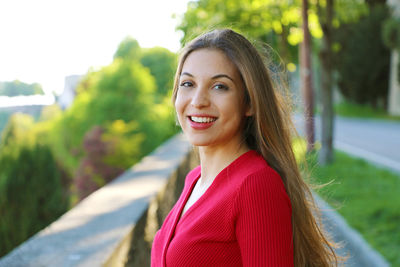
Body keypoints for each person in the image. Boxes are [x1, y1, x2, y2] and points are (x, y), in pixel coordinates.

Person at [151, 28, 338, 267]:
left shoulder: (256, 185)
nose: (198, 101)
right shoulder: (195, 179)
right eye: (188, 83)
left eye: (220, 86)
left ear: (249, 102)